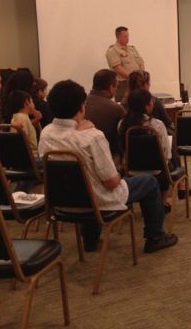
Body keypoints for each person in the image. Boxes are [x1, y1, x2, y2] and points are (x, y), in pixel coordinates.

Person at [38, 79, 177, 254]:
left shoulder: (46, 134)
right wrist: (120, 172)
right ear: (82, 107)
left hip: (61, 203)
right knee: (148, 182)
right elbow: (111, 183)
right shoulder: (92, 137)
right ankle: (155, 237)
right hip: (97, 203)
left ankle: (90, 241)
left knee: (89, 182)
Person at [118, 89, 171, 163]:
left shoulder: (122, 124)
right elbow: (167, 154)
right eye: (151, 101)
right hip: (157, 169)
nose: (153, 102)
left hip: (130, 169)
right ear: (147, 106)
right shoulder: (157, 125)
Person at [85, 69, 126, 157]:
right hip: (108, 156)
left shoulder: (81, 105)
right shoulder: (116, 108)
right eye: (116, 87)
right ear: (111, 87)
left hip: (82, 155)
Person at [106, 26, 145, 102]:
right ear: (118, 37)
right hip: (124, 84)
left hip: (138, 82)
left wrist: (141, 75)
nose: (127, 38)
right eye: (125, 36)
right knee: (124, 106)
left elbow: (141, 62)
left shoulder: (132, 48)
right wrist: (134, 78)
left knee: (138, 103)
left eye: (128, 36)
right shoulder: (113, 51)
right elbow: (118, 68)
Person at [5, 90, 40, 161]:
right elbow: (23, 142)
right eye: (32, 101)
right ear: (26, 102)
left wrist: (36, 119)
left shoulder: (18, 117)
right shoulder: (22, 118)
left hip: (28, 158)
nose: (34, 105)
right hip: (32, 158)